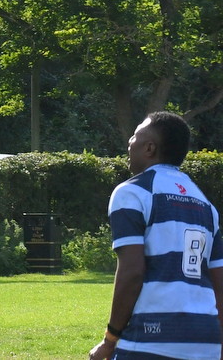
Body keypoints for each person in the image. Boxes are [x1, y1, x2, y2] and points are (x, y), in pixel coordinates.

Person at [88, 111, 223, 360]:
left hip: (153, 336)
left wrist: (110, 339)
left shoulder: (132, 192)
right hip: (206, 339)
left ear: (149, 148)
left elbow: (132, 272)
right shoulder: (205, 205)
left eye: (135, 135)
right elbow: (219, 283)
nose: (130, 142)